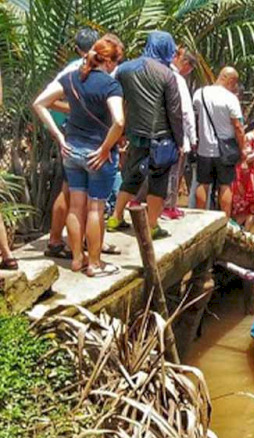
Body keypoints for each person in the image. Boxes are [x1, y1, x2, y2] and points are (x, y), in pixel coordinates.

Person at [33, 34, 125, 277]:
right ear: (109, 62)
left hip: (71, 149)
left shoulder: (71, 77)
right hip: (97, 153)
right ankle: (94, 264)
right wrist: (106, 148)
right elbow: (119, 121)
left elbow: (39, 103)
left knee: (76, 206)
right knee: (96, 209)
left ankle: (76, 259)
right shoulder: (110, 85)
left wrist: (59, 136)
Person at [106, 31, 184, 240]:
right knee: (158, 180)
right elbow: (174, 111)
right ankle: (152, 225)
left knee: (131, 176)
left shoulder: (124, 69)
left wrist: (120, 131)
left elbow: (117, 101)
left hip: (135, 133)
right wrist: (180, 140)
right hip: (162, 137)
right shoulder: (167, 74)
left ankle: (115, 216)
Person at [40, 28, 100, 260]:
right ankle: (57, 240)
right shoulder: (75, 70)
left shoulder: (83, 68)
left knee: (74, 190)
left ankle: (76, 241)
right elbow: (47, 100)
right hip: (73, 134)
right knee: (71, 190)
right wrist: (76, 110)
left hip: (75, 134)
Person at [193, 67, 245, 218]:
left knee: (203, 183)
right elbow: (238, 127)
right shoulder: (230, 99)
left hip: (204, 149)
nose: (234, 87)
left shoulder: (199, 93)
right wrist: (243, 150)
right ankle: (225, 219)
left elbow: (195, 118)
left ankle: (200, 218)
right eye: (234, 83)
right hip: (225, 151)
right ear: (230, 80)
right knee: (225, 185)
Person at [163, 47, 198, 221]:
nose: (189, 72)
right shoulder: (177, 79)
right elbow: (186, 112)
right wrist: (192, 138)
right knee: (174, 171)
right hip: (177, 135)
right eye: (190, 68)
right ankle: (169, 206)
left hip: (160, 133)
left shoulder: (161, 74)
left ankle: (162, 204)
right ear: (185, 63)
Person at [232, 121, 254, 228]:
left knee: (248, 208)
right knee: (252, 208)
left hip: (246, 174)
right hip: (244, 175)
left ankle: (242, 231)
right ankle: (244, 232)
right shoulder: (248, 137)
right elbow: (247, 158)